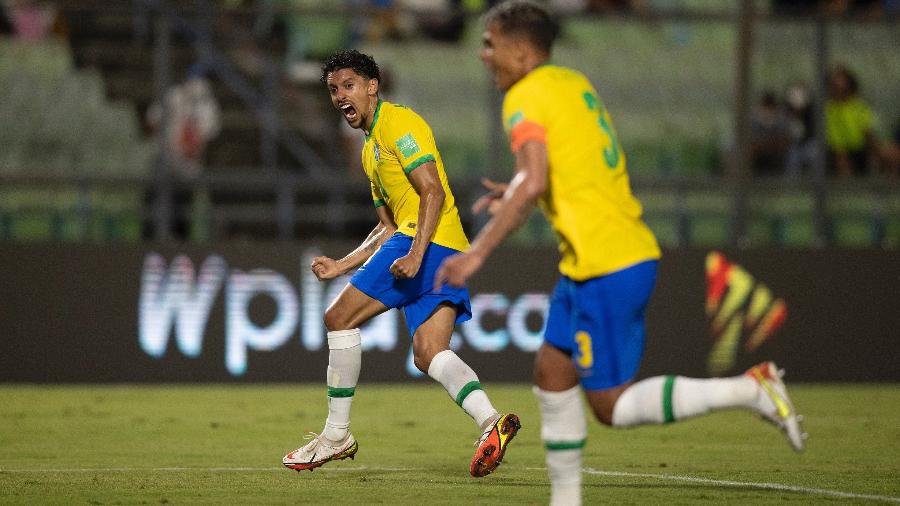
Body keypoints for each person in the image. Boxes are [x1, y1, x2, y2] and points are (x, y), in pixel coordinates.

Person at [433, 2, 806, 504]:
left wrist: (479, 251)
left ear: (520, 52)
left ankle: (749, 390)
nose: (483, 55)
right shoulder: (570, 83)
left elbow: (536, 175)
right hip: (594, 260)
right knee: (551, 372)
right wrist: (521, 190)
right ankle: (566, 500)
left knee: (610, 405)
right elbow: (561, 168)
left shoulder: (524, 95)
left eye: (489, 43)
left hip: (607, 264)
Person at [281, 50, 519, 477]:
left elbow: (433, 192)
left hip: (428, 243)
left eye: (348, 85)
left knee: (339, 318)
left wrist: (416, 253)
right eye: (333, 90)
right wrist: (343, 264)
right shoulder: (370, 151)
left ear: (372, 86)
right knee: (429, 353)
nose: (340, 96)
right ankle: (491, 422)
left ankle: (337, 434)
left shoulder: (399, 123)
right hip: (441, 246)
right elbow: (385, 228)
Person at [825, 65, 878, 177]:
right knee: (841, 159)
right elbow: (830, 135)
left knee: (890, 154)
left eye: (841, 79)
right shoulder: (828, 107)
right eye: (836, 80)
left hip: (858, 149)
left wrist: (874, 151)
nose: (838, 82)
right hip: (835, 150)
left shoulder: (859, 106)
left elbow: (867, 131)